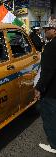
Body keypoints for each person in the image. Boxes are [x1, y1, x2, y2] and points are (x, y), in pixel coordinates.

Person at [34, 19, 56, 154]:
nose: (44, 31)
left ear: (54, 30)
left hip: (51, 91)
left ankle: (54, 144)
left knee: (50, 116)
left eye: (47, 29)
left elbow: (47, 72)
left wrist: (39, 88)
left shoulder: (51, 47)